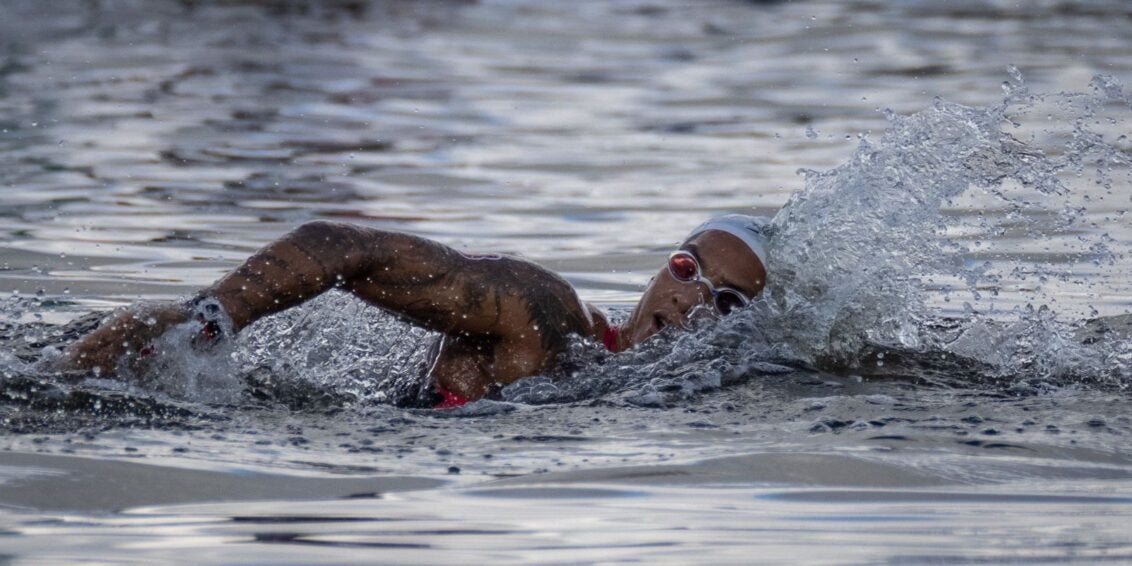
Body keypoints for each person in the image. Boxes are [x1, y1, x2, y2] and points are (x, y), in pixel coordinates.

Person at [63, 214, 769, 407]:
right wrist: (213, 324)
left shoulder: (663, 398)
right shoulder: (545, 313)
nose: (691, 303)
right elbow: (342, 243)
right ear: (661, 267)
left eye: (727, 303)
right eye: (687, 269)